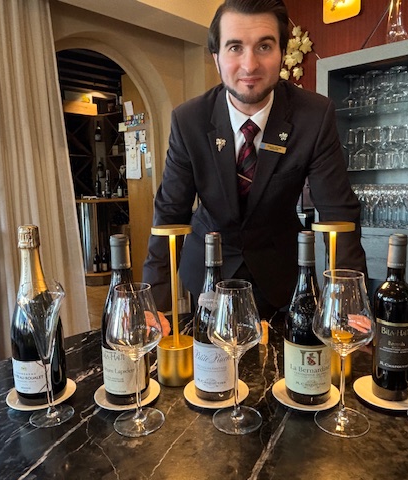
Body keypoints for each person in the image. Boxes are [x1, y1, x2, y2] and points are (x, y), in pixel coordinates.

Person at [143, 0, 366, 317]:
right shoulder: (189, 119)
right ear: (216, 58)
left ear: (282, 53)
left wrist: (350, 301)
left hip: (279, 274)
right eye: (235, 47)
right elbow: (170, 212)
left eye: (264, 46)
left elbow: (338, 212)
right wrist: (153, 305)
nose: (249, 65)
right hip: (208, 270)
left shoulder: (313, 116)